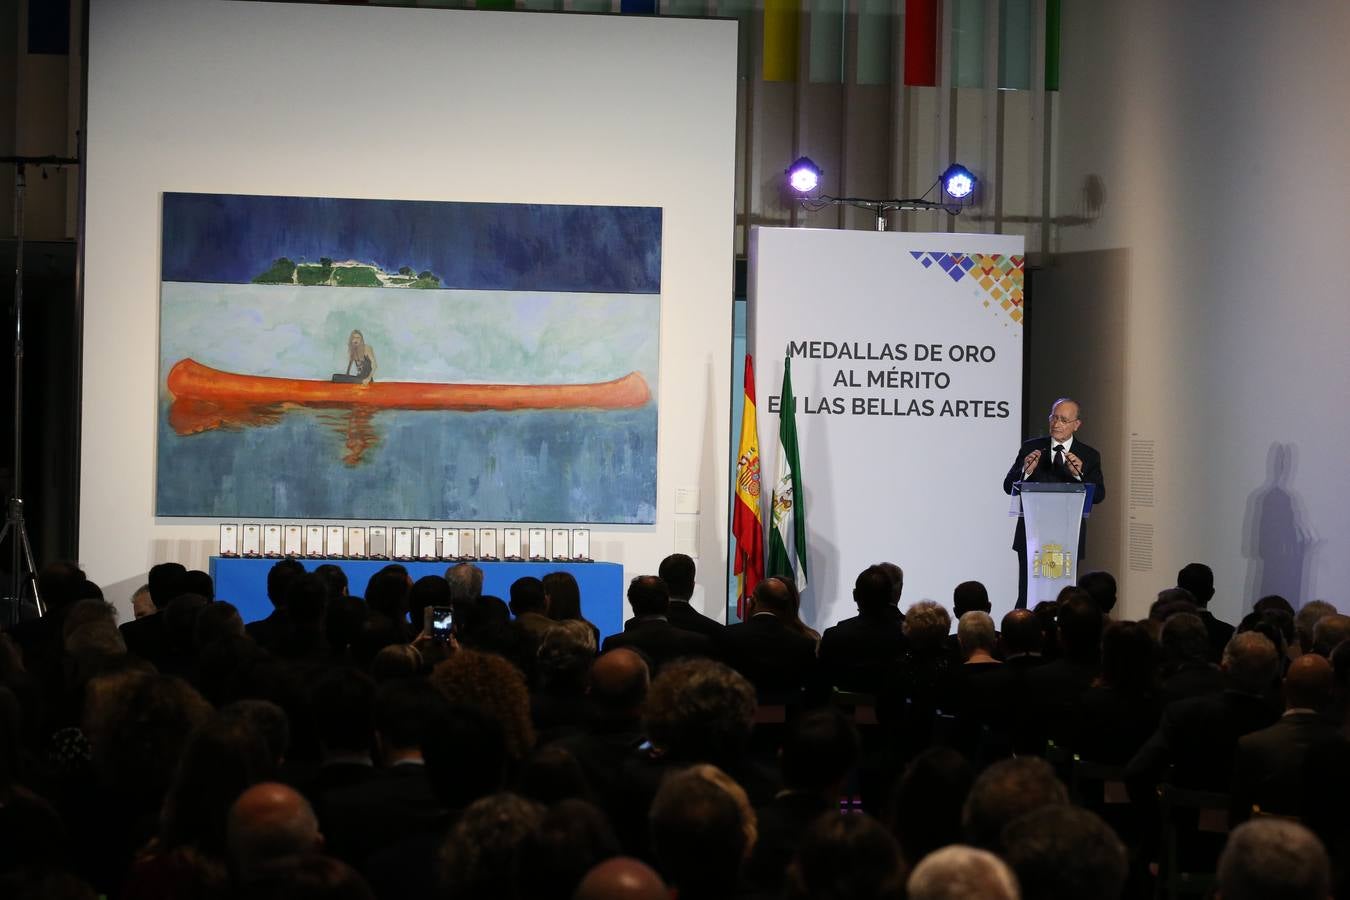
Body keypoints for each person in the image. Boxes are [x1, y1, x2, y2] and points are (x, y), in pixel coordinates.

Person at [1003, 398, 1106, 608]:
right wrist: (1025, 472)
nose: (1056, 423)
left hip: (1066, 537)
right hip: (1033, 536)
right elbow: (1008, 486)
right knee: (1028, 594)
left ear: (1076, 424)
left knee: (1063, 597)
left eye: (1064, 420)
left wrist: (1080, 476)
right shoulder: (1031, 448)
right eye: (1054, 417)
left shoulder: (1089, 455)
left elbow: (1098, 495)